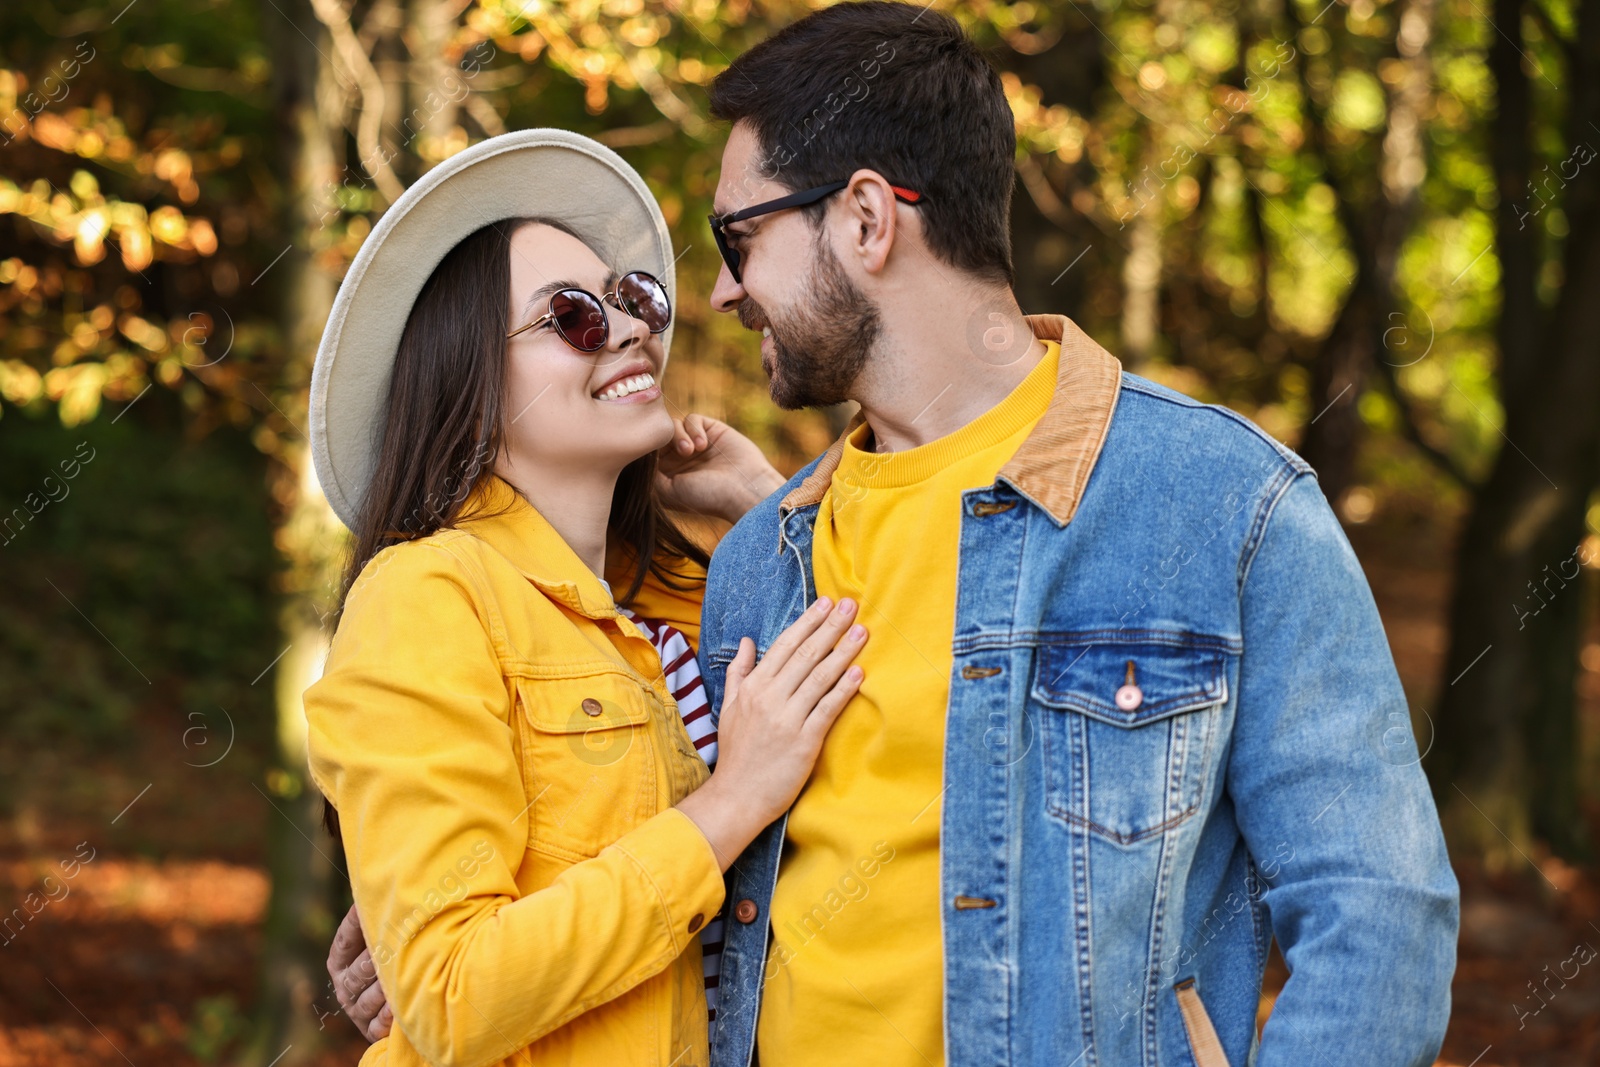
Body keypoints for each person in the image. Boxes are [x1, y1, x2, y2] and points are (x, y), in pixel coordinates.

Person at [336, 6, 1460, 1066]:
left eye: (737, 238)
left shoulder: (1221, 503)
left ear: (867, 218)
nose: (715, 294)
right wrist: (414, 899)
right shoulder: (758, 566)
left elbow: (1380, 912)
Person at [304, 129, 868, 1067]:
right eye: (572, 313)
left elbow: (898, 698)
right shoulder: (425, 595)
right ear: (470, 385)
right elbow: (453, 992)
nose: (634, 325)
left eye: (632, 297)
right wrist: (729, 804)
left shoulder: (689, 596)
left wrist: (762, 504)